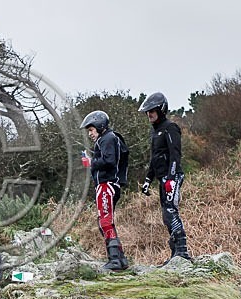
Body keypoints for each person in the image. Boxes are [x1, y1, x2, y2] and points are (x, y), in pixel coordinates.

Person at [138, 92, 192, 263]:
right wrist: (148, 180)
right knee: (165, 215)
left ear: (161, 109)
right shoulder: (155, 132)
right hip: (162, 178)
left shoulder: (170, 128)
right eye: (147, 112)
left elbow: (175, 154)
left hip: (172, 176)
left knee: (170, 211)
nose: (149, 114)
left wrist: (171, 177)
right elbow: (155, 158)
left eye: (152, 111)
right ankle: (175, 253)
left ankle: (182, 252)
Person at [79, 110, 130, 271]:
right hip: (109, 185)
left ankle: (114, 259)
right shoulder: (108, 139)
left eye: (91, 130)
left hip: (107, 185)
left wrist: (90, 161)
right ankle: (120, 258)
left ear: (100, 126)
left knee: (105, 221)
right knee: (104, 222)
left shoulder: (107, 138)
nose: (90, 134)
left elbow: (109, 160)